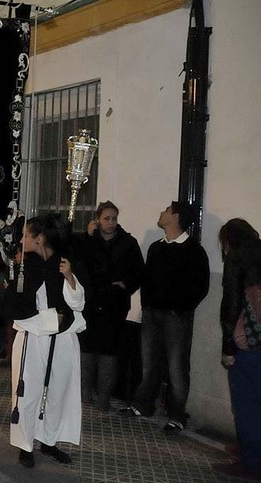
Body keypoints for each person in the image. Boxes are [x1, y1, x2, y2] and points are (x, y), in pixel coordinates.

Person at [6, 214, 86, 468]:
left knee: (57, 392)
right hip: (32, 337)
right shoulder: (23, 265)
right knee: (27, 393)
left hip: (62, 338)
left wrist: (70, 277)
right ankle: (25, 444)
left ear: (40, 238)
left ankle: (49, 441)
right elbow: (13, 303)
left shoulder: (65, 263)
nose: (22, 239)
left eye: (26, 235)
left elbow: (79, 303)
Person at [126, 201, 210, 432]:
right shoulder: (156, 247)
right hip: (152, 314)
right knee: (148, 363)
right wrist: (147, 305)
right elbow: (147, 280)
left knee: (177, 367)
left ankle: (177, 415)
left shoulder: (194, 250)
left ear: (176, 217)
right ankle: (143, 405)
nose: (162, 212)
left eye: (166, 210)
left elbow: (201, 286)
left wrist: (180, 309)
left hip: (176, 317)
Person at [77, 201, 144, 411]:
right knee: (87, 350)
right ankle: (84, 394)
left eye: (114, 218)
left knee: (109, 352)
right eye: (107, 218)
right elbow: (79, 265)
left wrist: (126, 285)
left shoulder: (128, 243)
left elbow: (139, 271)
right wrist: (87, 238)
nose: (111, 222)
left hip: (114, 304)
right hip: (90, 303)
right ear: (98, 219)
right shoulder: (89, 241)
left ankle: (104, 397)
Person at [211, 219, 261, 481]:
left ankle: (251, 462)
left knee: (245, 404)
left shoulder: (236, 258)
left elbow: (230, 306)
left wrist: (227, 348)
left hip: (249, 343)